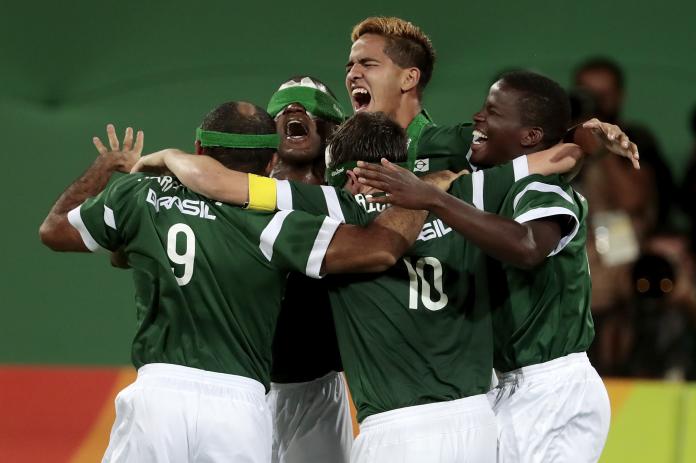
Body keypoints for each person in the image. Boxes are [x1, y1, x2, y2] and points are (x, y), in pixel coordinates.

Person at [132, 110, 595, 462]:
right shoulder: (461, 196)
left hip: (393, 429)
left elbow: (222, 185)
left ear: (350, 176)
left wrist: (168, 157)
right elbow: (557, 156)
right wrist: (592, 136)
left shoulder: (339, 208)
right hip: (476, 422)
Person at [39, 102, 432, 463]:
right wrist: (428, 194)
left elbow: (54, 230)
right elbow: (379, 249)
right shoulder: (275, 221)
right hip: (238, 409)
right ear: (271, 164)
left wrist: (106, 169)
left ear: (199, 147)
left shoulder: (138, 197)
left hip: (156, 397)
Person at [356, 71, 630, 462]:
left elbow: (530, 246)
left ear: (529, 137)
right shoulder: (492, 188)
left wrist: (433, 200)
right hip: (510, 387)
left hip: (552, 387)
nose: (478, 118)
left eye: (492, 111)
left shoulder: (543, 188)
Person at [265, 75, 353, 463]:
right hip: (241, 390)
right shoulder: (234, 195)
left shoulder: (351, 205)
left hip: (317, 391)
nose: (294, 110)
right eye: (283, 108)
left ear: (333, 132)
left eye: (308, 106)